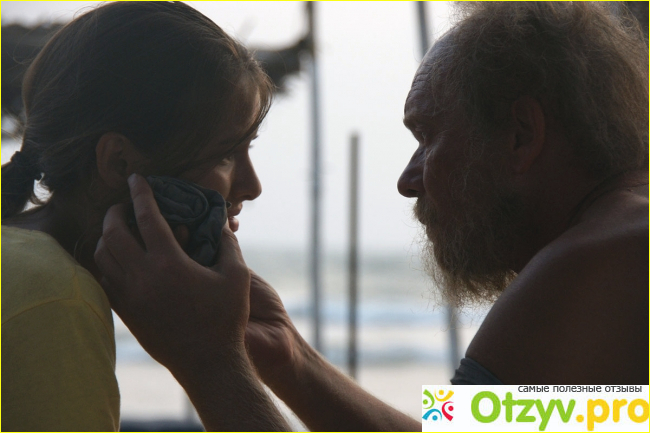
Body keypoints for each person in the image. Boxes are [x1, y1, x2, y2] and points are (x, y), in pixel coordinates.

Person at [97, 1, 647, 431]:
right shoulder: (624, 246)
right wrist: (291, 355)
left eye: (427, 136)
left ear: (521, 135)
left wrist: (208, 361)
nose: (408, 180)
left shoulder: (586, 268)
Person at [1, 2, 275, 431]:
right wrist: (213, 360)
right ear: (119, 162)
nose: (252, 186)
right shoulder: (55, 300)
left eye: (248, 149)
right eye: (225, 154)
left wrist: (289, 356)